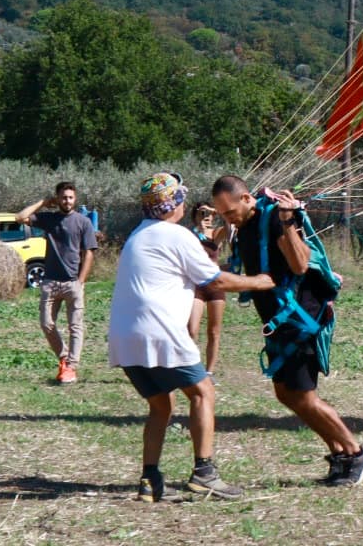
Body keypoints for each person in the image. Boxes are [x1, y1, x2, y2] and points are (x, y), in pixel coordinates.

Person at [107, 172, 274, 502]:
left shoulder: (137, 235)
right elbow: (215, 281)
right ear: (175, 204)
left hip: (124, 337)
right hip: (160, 331)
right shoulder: (176, 236)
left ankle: (149, 480)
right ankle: (204, 473)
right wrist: (261, 281)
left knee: (161, 405)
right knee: (203, 393)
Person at [210, 175, 363, 487]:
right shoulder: (243, 227)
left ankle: (355, 452)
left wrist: (287, 221)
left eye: (230, 211)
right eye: (222, 214)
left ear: (246, 198)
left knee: (305, 396)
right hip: (279, 325)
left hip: (301, 320)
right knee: (286, 393)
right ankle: (339, 454)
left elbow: (299, 265)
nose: (227, 218)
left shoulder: (275, 219)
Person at [18, 180, 99, 384]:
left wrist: (81, 280)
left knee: (75, 327)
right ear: (58, 198)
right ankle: (64, 357)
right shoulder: (48, 219)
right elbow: (20, 217)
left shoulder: (83, 222)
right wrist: (44, 202)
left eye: (71, 197)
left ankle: (71, 367)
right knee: (46, 324)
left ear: (75, 198)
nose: (67, 201)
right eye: (63, 197)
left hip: (73, 283)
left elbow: (89, 252)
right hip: (50, 282)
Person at [188, 202, 230, 372]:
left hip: (214, 285)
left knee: (214, 332)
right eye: (202, 213)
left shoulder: (216, 234)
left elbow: (230, 228)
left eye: (209, 213)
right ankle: (192, 367)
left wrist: (219, 211)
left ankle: (209, 371)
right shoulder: (189, 235)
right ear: (195, 216)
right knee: (191, 330)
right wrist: (198, 226)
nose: (207, 217)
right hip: (196, 285)